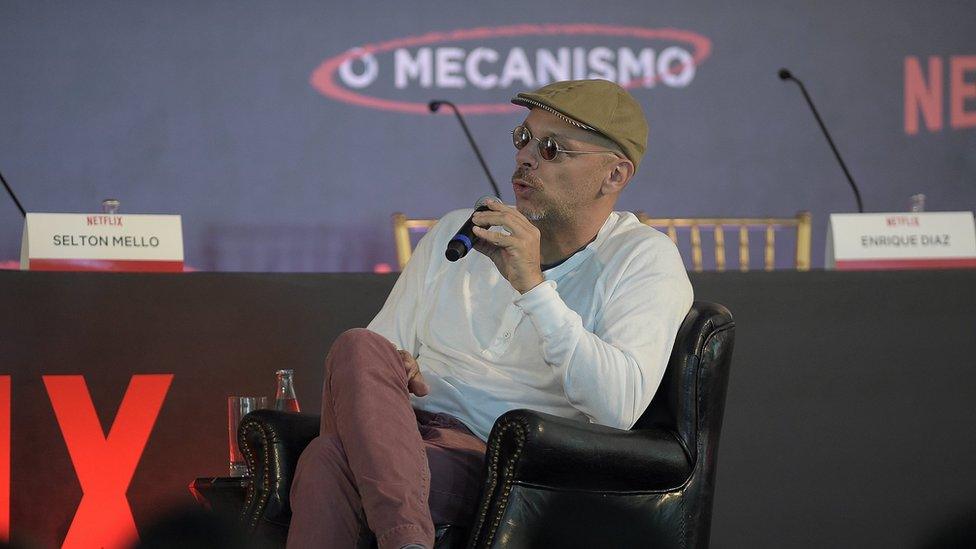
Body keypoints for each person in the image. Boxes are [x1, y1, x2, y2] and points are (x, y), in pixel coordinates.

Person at [287, 79, 693, 549]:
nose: (525, 158)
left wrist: (533, 287)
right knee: (357, 345)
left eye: (552, 149)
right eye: (523, 139)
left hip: (495, 460)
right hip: (398, 433)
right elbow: (381, 352)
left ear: (614, 176)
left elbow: (617, 407)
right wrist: (401, 365)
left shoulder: (642, 257)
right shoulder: (453, 234)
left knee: (325, 461)